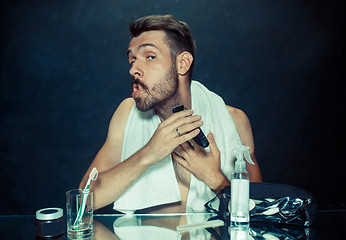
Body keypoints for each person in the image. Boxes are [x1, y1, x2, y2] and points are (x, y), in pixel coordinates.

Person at [80, 14, 262, 214]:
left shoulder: (234, 121)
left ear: (182, 63)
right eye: (132, 60)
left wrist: (214, 178)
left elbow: (259, 214)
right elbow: (83, 201)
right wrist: (149, 153)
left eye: (149, 57)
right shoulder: (127, 115)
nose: (134, 70)